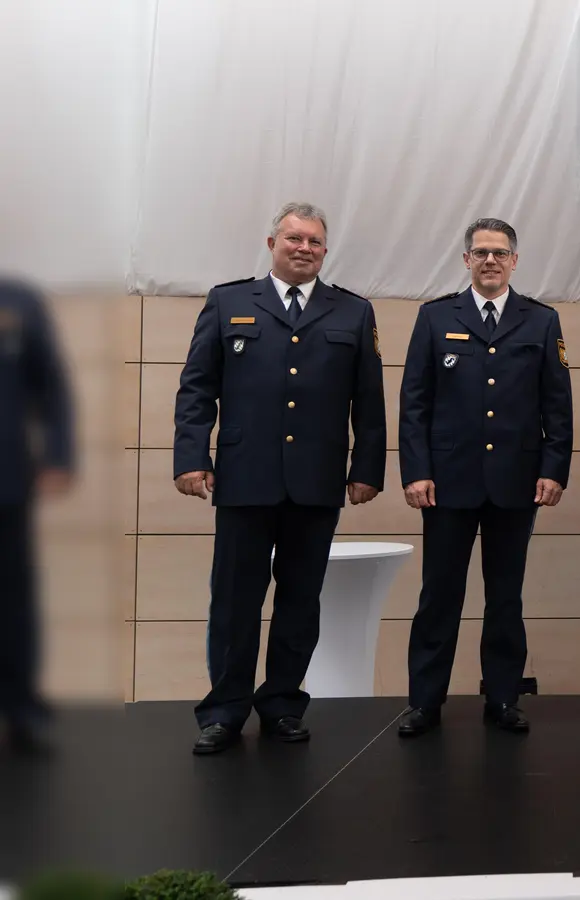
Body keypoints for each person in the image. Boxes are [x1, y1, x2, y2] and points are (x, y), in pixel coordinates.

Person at [174, 202, 386, 755]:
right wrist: (191, 456)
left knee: (300, 600)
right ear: (272, 243)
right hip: (244, 478)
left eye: (314, 241)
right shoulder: (229, 302)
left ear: (325, 250)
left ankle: (283, 705)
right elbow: (197, 388)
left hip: (316, 481)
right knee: (235, 601)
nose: (304, 248)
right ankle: (223, 711)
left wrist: (366, 469)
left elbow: (369, 402)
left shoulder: (353, 311)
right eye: (294, 238)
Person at [396, 218, 574, 737]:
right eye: (481, 253)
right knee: (439, 596)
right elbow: (414, 403)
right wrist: (416, 471)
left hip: (516, 481)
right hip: (447, 483)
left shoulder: (541, 321)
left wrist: (553, 469)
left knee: (505, 597)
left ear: (514, 261)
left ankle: (502, 698)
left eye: (499, 253)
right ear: (466, 260)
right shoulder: (435, 317)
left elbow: (557, 406)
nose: (490, 260)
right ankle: (424, 702)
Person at [0, 278, 74, 753]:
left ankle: (21, 711)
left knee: (12, 601)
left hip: (7, 478)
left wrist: (59, 456)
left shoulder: (18, 301)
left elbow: (51, 384)